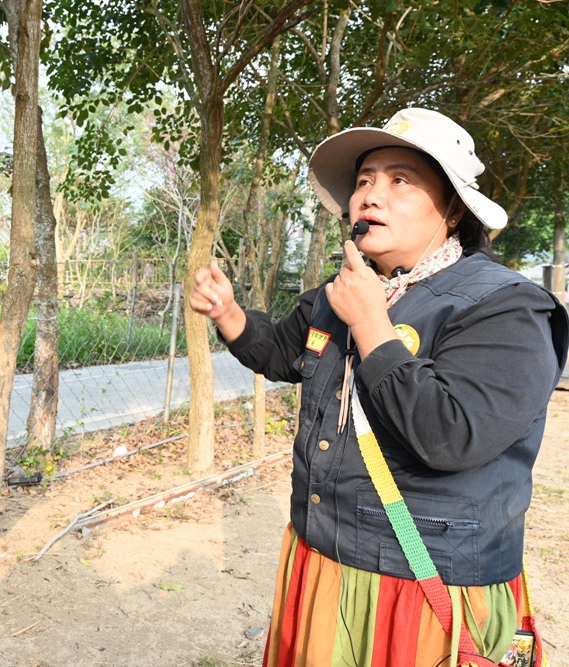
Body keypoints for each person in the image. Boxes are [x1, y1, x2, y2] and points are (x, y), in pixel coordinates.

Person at [188, 108, 569, 667]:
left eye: (401, 180)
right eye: (364, 180)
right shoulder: (341, 293)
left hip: (426, 578)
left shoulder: (506, 306)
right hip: (322, 552)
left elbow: (453, 435)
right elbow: (283, 353)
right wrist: (229, 315)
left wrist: (370, 325)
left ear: (455, 208)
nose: (371, 194)